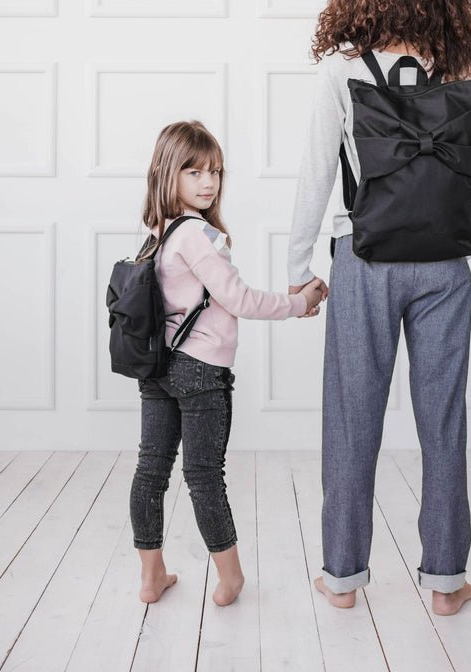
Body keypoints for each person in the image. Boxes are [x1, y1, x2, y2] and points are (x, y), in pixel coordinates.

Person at [287, 0, 471, 615]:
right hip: (444, 266)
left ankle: (342, 579)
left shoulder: (342, 69)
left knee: (352, 420)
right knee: (444, 421)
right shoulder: (461, 66)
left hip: (363, 261)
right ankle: (445, 582)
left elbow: (315, 174)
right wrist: (459, 246)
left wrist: (296, 268)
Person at [130, 120, 324, 607]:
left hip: (157, 369)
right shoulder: (197, 234)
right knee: (203, 475)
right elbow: (237, 298)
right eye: (193, 171)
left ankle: (151, 578)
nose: (208, 182)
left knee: (151, 470)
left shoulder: (157, 234)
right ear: (166, 172)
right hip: (200, 372)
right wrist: (300, 303)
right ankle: (230, 578)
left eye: (215, 171)